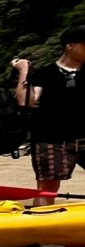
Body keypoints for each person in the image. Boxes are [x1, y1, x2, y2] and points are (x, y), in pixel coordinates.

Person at [12, 26, 85, 205]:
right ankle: (40, 227)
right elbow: (26, 101)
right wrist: (23, 70)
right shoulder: (45, 74)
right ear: (70, 46)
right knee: (48, 188)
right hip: (51, 138)